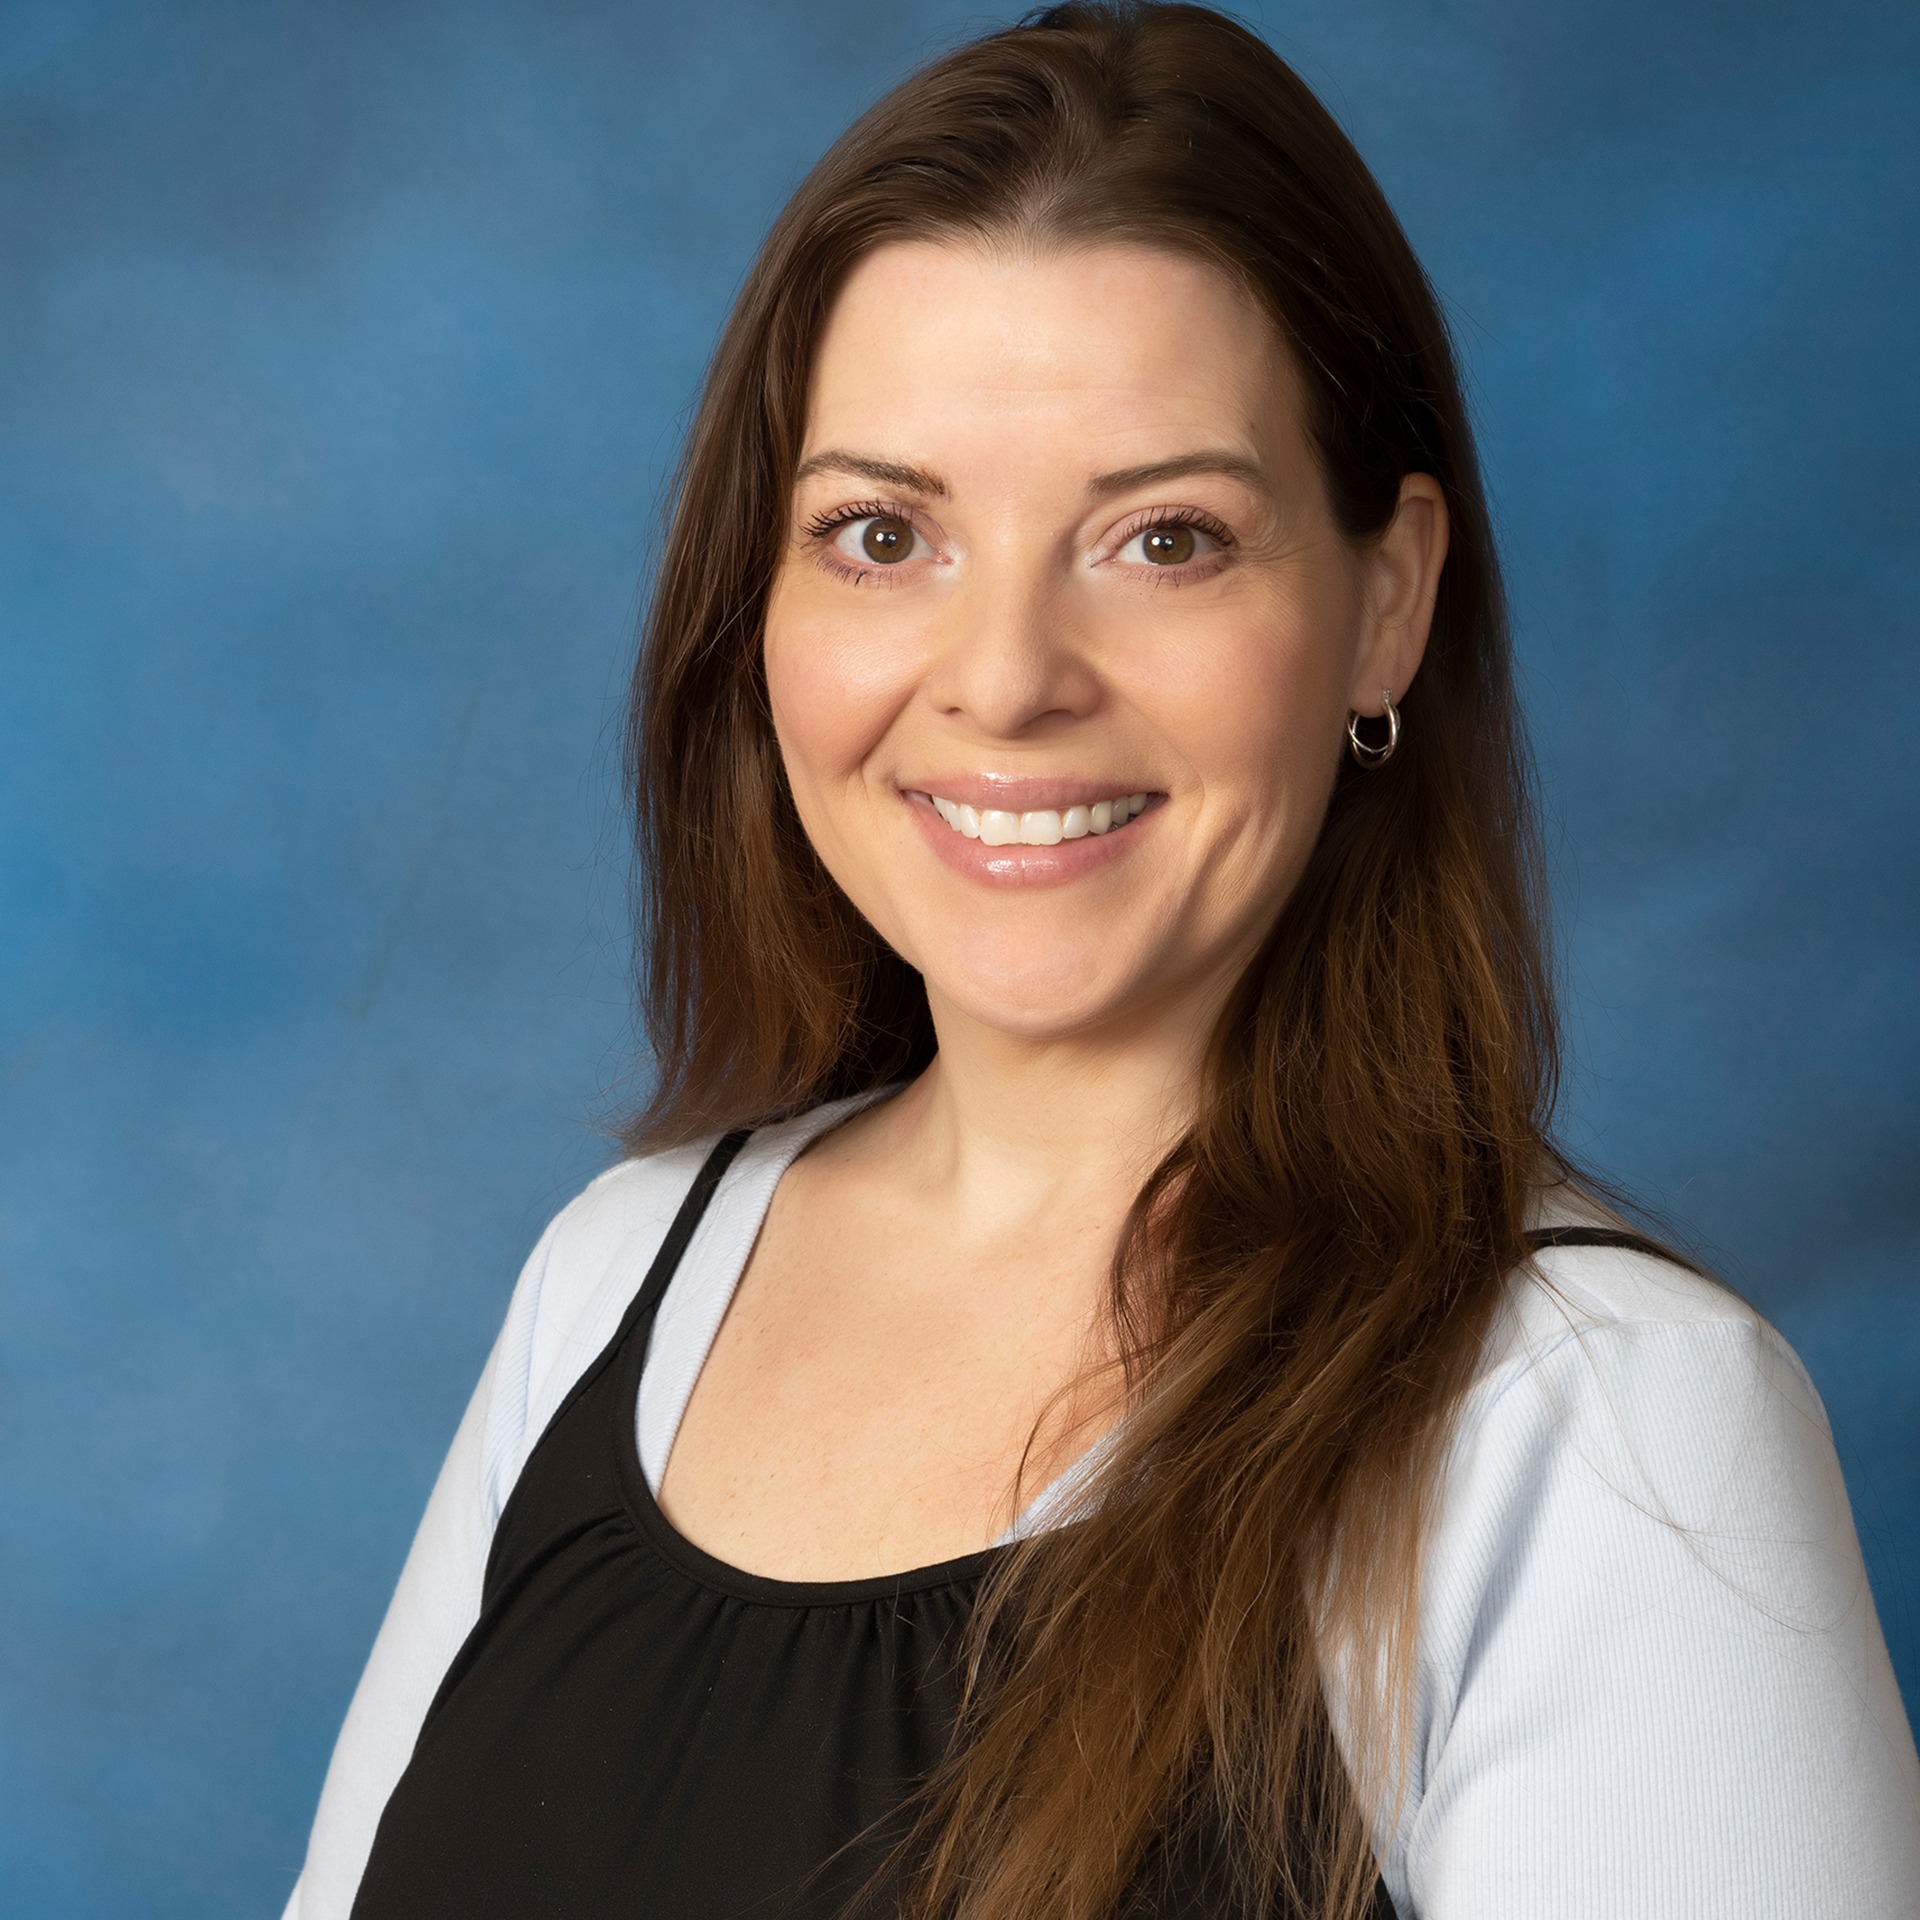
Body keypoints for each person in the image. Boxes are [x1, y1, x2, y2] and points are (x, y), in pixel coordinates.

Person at [281, 5, 1920, 1915]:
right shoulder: (618, 1278)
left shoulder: (1614, 1429)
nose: (1002, 678)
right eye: (884, 532)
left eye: (1164, 539)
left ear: (1386, 602)